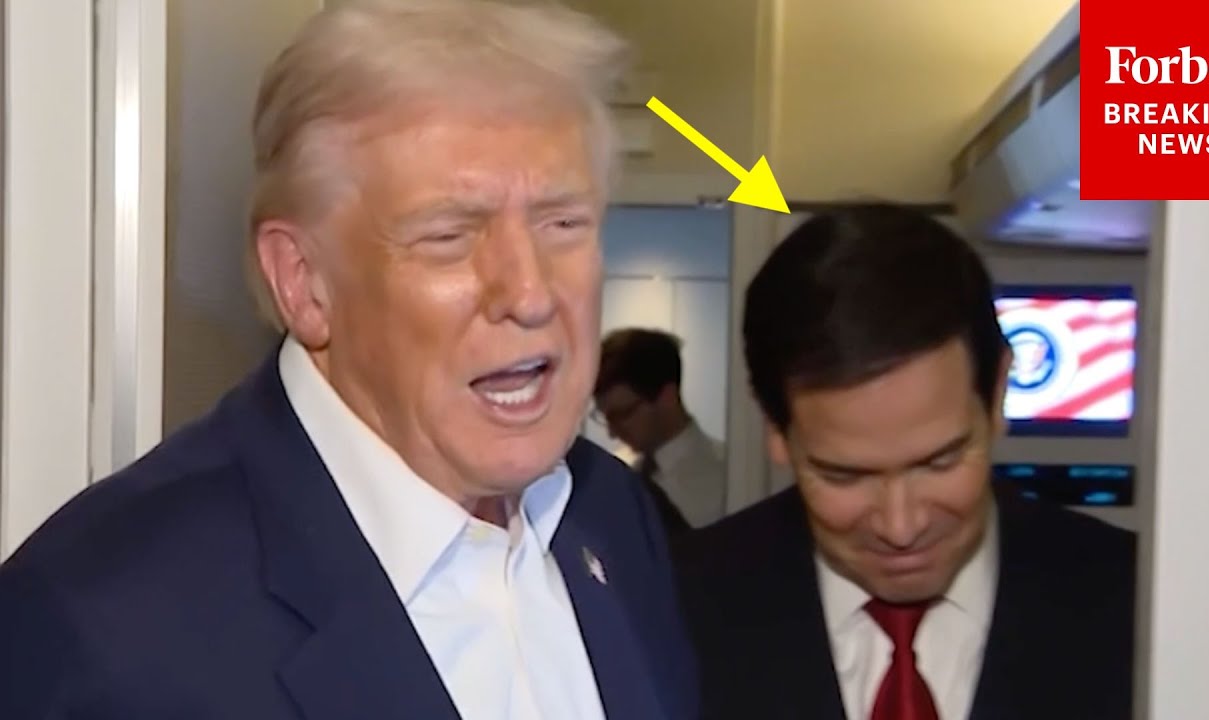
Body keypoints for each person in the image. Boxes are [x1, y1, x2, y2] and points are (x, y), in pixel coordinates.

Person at [0, 1, 697, 718]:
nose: (529, 293)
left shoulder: (613, 518)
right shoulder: (101, 626)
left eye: (563, 223)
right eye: (450, 236)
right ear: (303, 282)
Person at [673, 205, 1136, 720]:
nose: (901, 528)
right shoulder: (675, 612)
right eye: (845, 476)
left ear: (998, 393)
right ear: (775, 431)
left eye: (941, 462)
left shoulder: (1139, 604)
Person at [593, 328, 727, 533]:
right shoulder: (620, 476)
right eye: (606, 418)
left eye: (623, 414)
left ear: (667, 397)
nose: (611, 433)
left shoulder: (725, 479)